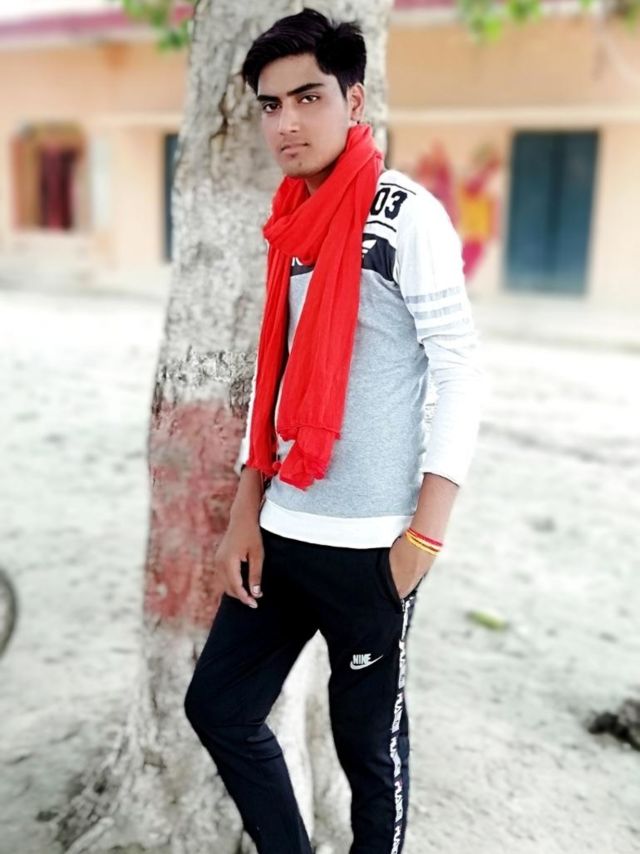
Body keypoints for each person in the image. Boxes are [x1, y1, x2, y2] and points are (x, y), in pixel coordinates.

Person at [184, 7, 485, 853]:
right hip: (282, 533)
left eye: (308, 97)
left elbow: (460, 368)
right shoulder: (291, 220)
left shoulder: (405, 216)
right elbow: (275, 371)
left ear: (353, 101)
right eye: (270, 105)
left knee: (368, 756)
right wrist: (245, 509)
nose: (287, 121)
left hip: (369, 549)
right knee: (219, 707)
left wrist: (423, 541)